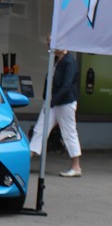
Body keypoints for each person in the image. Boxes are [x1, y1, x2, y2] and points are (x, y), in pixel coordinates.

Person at [30, 43, 82, 177]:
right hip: (53, 101)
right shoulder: (57, 60)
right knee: (39, 129)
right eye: (48, 43)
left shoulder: (69, 62)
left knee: (69, 131)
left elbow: (67, 85)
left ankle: (76, 166)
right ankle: (26, 160)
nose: (49, 46)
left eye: (52, 43)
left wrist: (51, 101)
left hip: (64, 102)